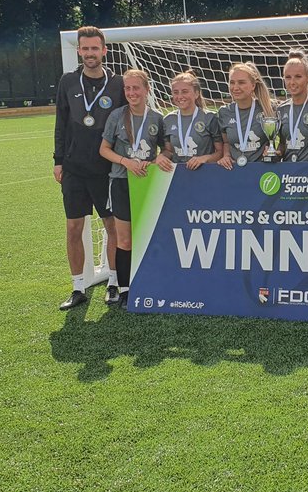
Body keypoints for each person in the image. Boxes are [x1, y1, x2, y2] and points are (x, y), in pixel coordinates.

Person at [53, 26, 125, 311]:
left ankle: (114, 281)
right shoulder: (68, 82)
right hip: (73, 168)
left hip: (106, 170)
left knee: (112, 227)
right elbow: (60, 122)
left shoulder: (117, 84)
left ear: (104, 50)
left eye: (95, 48)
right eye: (85, 48)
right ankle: (78, 286)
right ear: (79, 51)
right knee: (73, 227)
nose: (90, 53)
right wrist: (58, 160)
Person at [98, 69, 173, 304]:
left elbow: (167, 149)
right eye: (127, 88)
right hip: (121, 181)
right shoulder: (116, 116)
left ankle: (150, 283)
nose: (131, 92)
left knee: (149, 236)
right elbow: (104, 149)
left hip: (148, 184)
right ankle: (124, 289)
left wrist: (160, 158)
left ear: (146, 89)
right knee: (125, 240)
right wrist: (126, 162)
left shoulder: (157, 118)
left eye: (136, 88)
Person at [216, 62, 275, 169]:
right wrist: (226, 156)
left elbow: (279, 141)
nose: (235, 87)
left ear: (253, 85)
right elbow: (226, 142)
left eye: (241, 82)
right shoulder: (224, 112)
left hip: (263, 171)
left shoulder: (268, 108)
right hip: (234, 171)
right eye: (232, 82)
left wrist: (273, 151)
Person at [161, 71, 222, 169]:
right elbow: (169, 151)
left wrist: (204, 158)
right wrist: (162, 156)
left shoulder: (210, 118)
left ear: (196, 93)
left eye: (185, 91)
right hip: (177, 175)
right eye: (176, 92)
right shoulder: (168, 120)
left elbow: (220, 152)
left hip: (205, 173)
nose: (180, 96)